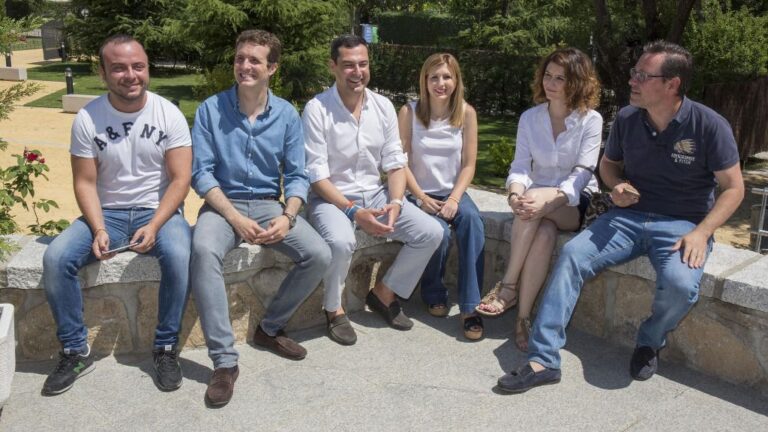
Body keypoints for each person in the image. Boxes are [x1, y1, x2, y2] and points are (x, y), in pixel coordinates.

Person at [498, 41, 744, 393]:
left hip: (683, 225)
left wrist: (702, 233)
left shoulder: (708, 125)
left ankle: (649, 340)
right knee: (571, 256)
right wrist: (615, 186)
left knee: (679, 285)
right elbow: (608, 165)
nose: (633, 81)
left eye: (643, 75)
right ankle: (544, 359)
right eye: (634, 73)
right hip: (626, 217)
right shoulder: (628, 118)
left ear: (672, 84)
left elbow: (734, 188)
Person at [41, 35, 192, 395]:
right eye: (119, 68)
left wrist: (155, 224)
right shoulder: (88, 118)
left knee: (180, 254)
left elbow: (181, 178)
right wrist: (97, 228)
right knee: (56, 257)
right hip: (106, 212)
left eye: (138, 66)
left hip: (158, 211)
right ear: (103, 71)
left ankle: (166, 348)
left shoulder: (168, 112)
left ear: (147, 68)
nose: (130, 75)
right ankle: (75, 350)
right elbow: (85, 182)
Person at [190, 29, 331, 407]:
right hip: (223, 205)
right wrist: (234, 217)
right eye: (240, 58)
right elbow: (201, 174)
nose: (245, 66)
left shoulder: (286, 114)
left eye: (255, 60)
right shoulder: (210, 109)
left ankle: (269, 328)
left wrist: (288, 216)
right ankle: (224, 362)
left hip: (271, 205)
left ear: (272, 68)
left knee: (319, 253)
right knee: (202, 251)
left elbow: (298, 174)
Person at [302, 35, 443, 345]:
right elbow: (316, 176)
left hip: (377, 194)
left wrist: (395, 201)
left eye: (363, 64)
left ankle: (384, 292)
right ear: (333, 66)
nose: (357, 72)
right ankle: (334, 309)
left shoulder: (382, 106)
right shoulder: (317, 109)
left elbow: (395, 163)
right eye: (349, 65)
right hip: (332, 198)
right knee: (340, 242)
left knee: (431, 233)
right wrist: (353, 211)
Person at [475, 47, 603, 353]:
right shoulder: (530, 118)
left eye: (561, 77)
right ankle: (523, 318)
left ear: (578, 82)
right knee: (542, 231)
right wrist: (515, 193)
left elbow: (585, 171)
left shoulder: (590, 120)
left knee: (534, 204)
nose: (551, 82)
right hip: (537, 203)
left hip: (577, 201)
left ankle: (507, 287)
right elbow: (520, 166)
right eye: (548, 75)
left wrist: (551, 197)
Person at [398, 53, 486, 340]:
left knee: (473, 222)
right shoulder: (409, 113)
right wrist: (421, 197)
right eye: (434, 77)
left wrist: (454, 199)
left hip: (452, 192)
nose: (441, 83)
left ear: (456, 80)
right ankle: (433, 292)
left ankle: (470, 308)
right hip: (417, 193)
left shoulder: (466, 113)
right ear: (424, 80)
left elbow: (469, 165)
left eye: (447, 76)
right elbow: (401, 162)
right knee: (438, 232)